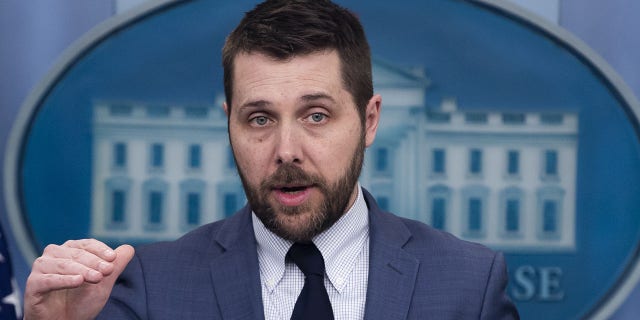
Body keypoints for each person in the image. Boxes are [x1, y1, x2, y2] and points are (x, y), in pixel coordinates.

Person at [24, 0, 519, 319]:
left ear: (369, 121)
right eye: (260, 119)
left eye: (317, 116)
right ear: (229, 124)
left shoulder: (468, 286)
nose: (286, 151)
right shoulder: (152, 289)